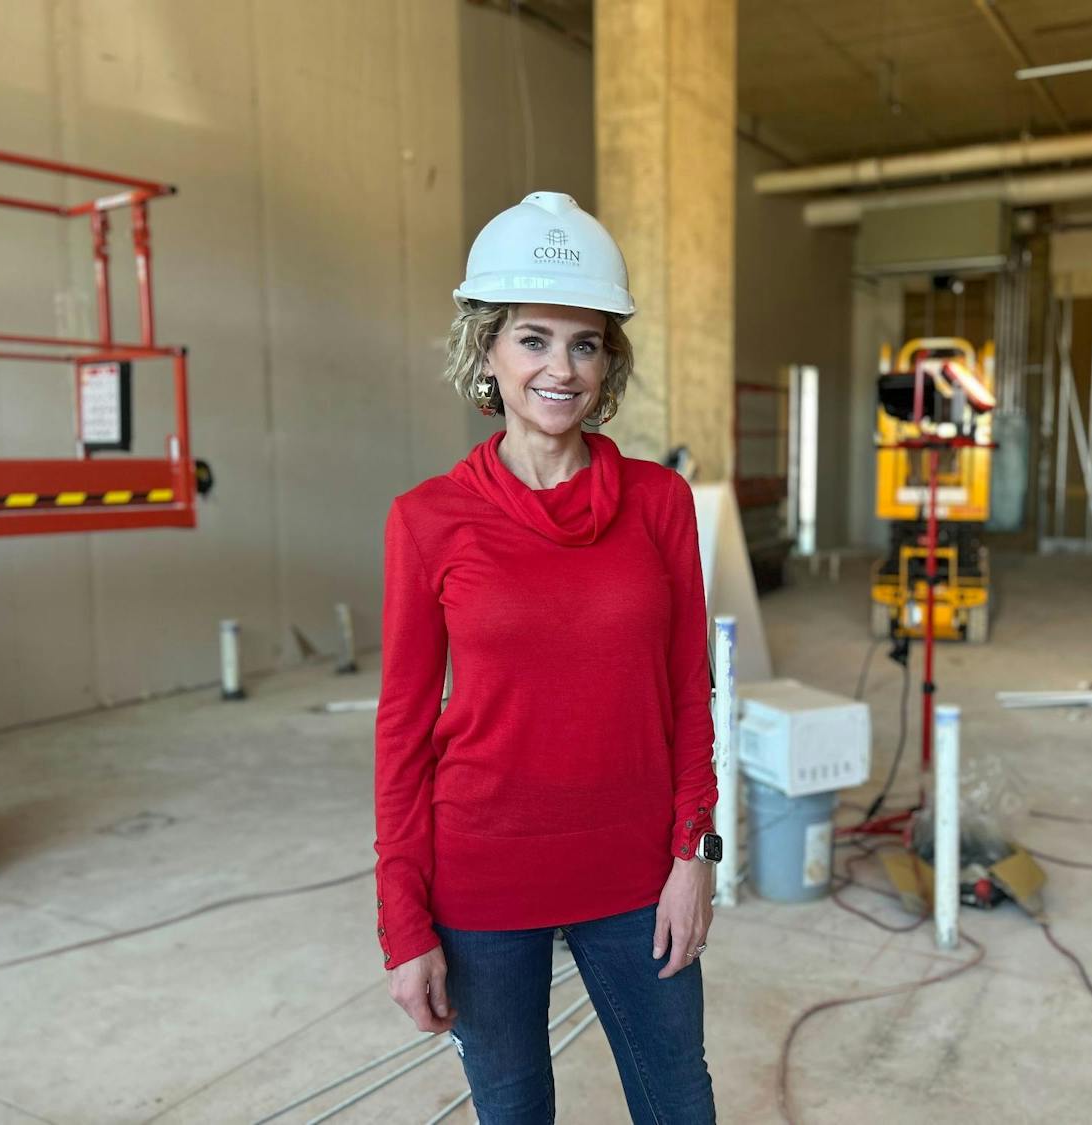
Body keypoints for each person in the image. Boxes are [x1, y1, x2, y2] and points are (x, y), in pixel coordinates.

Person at [372, 191, 721, 1125]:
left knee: (680, 1108)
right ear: (486, 349)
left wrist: (695, 851)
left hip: (637, 874)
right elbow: (402, 732)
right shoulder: (427, 520)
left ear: (609, 361)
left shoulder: (660, 504)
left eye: (585, 342)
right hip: (483, 876)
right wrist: (405, 921)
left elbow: (691, 688)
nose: (560, 369)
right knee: (515, 1112)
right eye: (533, 338)